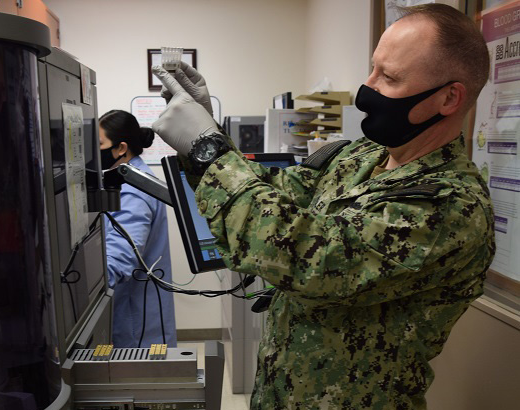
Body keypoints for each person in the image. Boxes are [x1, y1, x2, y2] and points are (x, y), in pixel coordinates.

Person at [151, 4, 495, 409]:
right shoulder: (363, 156)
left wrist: (208, 149)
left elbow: (306, 257)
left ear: (449, 98)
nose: (368, 88)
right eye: (373, 68)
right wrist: (212, 130)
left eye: (390, 77)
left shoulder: (450, 206)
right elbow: (278, 192)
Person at [99, 109, 177, 348]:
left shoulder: (132, 190)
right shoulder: (133, 176)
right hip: (140, 312)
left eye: (99, 144)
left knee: (144, 382)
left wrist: (84, 290)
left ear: (121, 148)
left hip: (136, 322)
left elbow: (123, 254)